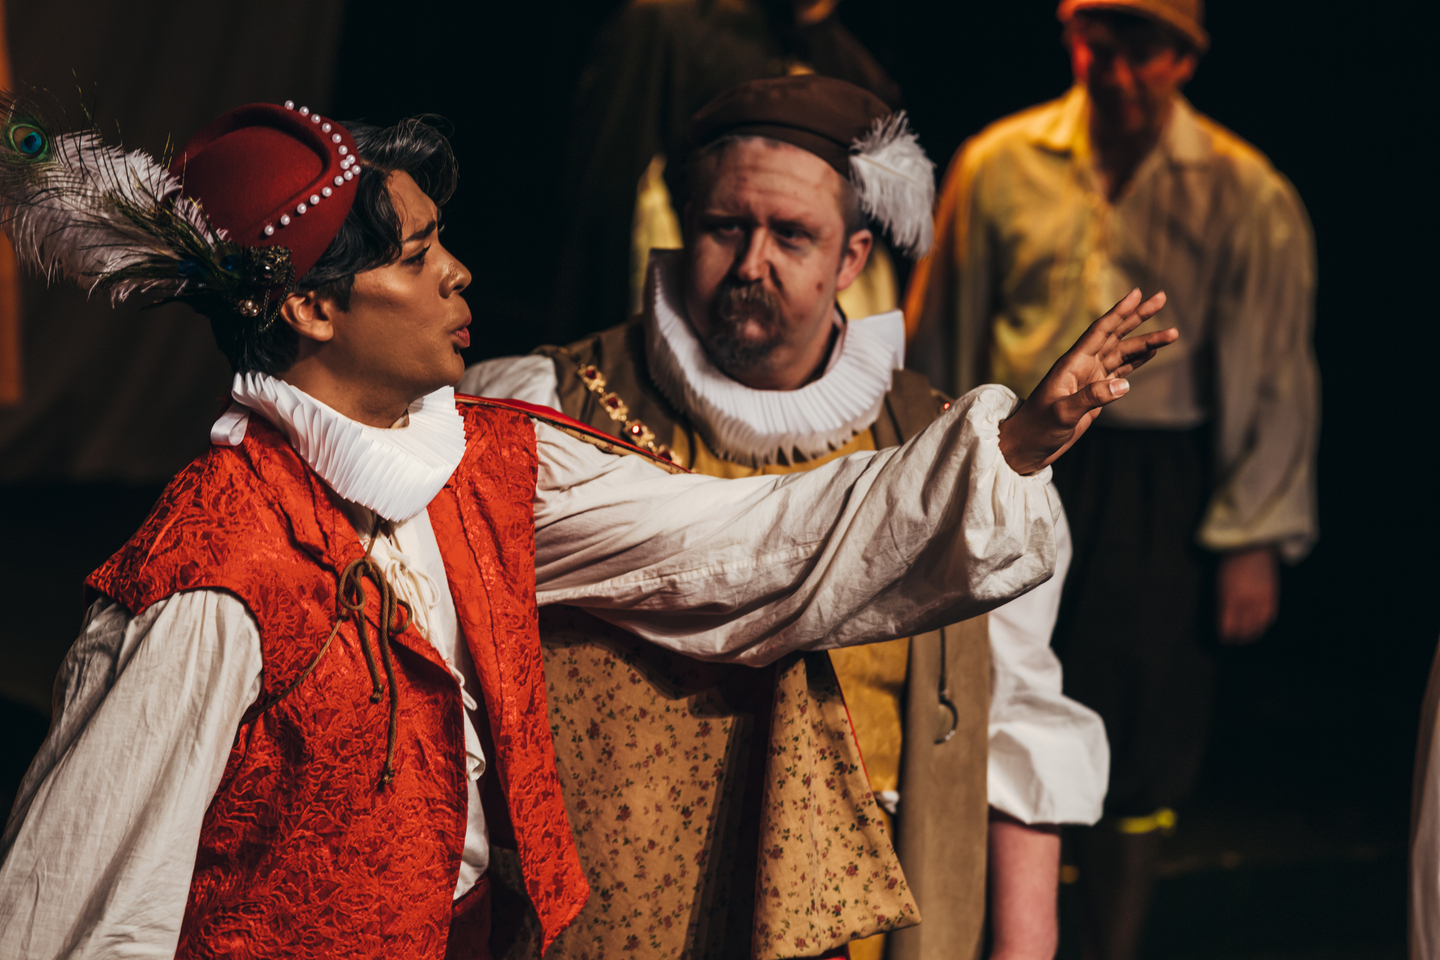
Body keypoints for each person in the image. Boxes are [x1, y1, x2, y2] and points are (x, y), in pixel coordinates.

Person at [0, 96, 1170, 960]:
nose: (462, 274)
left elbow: (751, 542)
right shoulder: (210, 576)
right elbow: (79, 907)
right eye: (418, 257)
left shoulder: (491, 463)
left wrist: (1015, 446)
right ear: (310, 305)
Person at [462, 75, 1110, 960]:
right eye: (727, 227)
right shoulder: (541, 409)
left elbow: (1017, 723)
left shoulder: (963, 454)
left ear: (851, 258)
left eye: (792, 235)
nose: (752, 262)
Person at [904, 2, 1319, 958]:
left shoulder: (1242, 190)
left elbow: (1272, 372)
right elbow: (945, 333)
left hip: (1152, 488)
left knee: (1140, 726)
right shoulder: (1000, 163)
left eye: (1142, 48)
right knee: (998, 702)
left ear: (1183, 59)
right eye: (1099, 41)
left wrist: (1251, 535)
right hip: (1016, 457)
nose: (1117, 69)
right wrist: (933, 478)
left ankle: (1111, 945)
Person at [548, 0, 904, 347]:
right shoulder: (666, 26)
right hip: (660, 334)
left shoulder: (864, 82)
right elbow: (600, 211)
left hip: (796, 355)